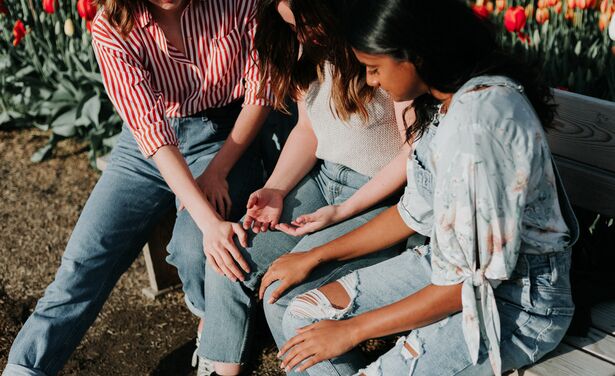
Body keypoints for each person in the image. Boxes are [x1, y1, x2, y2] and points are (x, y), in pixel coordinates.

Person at [269, 1, 580, 375]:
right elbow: (410, 214)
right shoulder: (442, 101)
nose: (371, 81)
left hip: (515, 305)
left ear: (416, 54)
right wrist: (314, 256)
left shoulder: (479, 127)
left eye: (374, 69)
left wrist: (350, 331)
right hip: (443, 267)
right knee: (302, 314)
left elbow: (462, 287)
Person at [2, 1, 272, 375]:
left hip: (223, 138)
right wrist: (208, 219)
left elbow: (262, 89)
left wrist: (218, 171)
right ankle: (25, 368)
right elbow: (152, 135)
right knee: (84, 260)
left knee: (197, 248)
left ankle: (213, 323)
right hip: (146, 147)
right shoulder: (110, 27)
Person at [185, 0, 413, 374]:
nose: (302, 36)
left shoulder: (379, 48)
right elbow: (307, 131)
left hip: (378, 198)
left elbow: (411, 153)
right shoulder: (307, 50)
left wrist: (343, 211)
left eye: (308, 23)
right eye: (292, 27)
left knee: (287, 295)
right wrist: (276, 188)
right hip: (323, 182)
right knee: (230, 257)